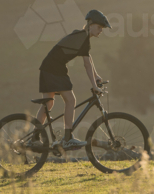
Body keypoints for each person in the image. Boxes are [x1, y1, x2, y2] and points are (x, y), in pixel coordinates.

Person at [36, 9, 110, 150]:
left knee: (48, 103)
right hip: (55, 69)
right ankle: (68, 138)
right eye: (99, 27)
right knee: (71, 100)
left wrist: (96, 76)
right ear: (90, 25)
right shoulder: (83, 38)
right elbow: (86, 64)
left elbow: (89, 59)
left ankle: (34, 138)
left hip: (47, 68)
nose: (101, 30)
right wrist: (94, 86)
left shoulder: (82, 37)